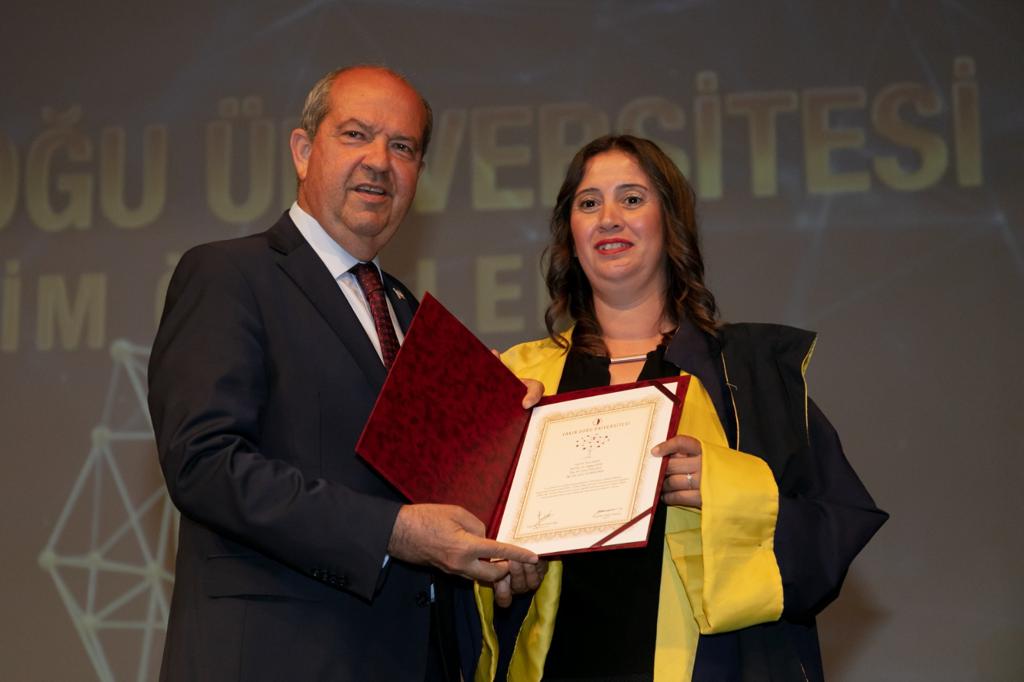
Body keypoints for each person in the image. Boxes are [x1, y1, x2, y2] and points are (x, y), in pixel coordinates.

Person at [148, 65, 541, 682]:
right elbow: (204, 464)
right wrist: (393, 532)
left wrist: (502, 440)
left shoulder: (411, 317)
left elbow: (435, 504)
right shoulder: (229, 275)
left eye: (403, 147)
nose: (379, 162)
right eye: (356, 134)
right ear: (304, 151)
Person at [468, 135, 889, 681]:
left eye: (632, 199)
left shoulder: (749, 373)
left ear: (671, 224)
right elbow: (453, 549)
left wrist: (723, 488)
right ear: (569, 234)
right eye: (589, 203)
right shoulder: (519, 376)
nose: (609, 218)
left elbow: (837, 527)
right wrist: (495, 557)